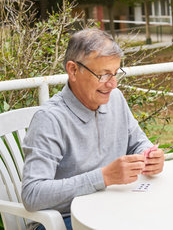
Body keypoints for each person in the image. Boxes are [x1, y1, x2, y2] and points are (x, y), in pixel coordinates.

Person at [21, 29, 165, 230]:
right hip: (63, 220)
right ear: (73, 70)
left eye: (115, 74)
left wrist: (150, 156)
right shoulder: (49, 119)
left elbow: (138, 142)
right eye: (103, 75)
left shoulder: (115, 99)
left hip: (111, 209)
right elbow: (33, 194)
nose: (112, 84)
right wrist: (103, 177)